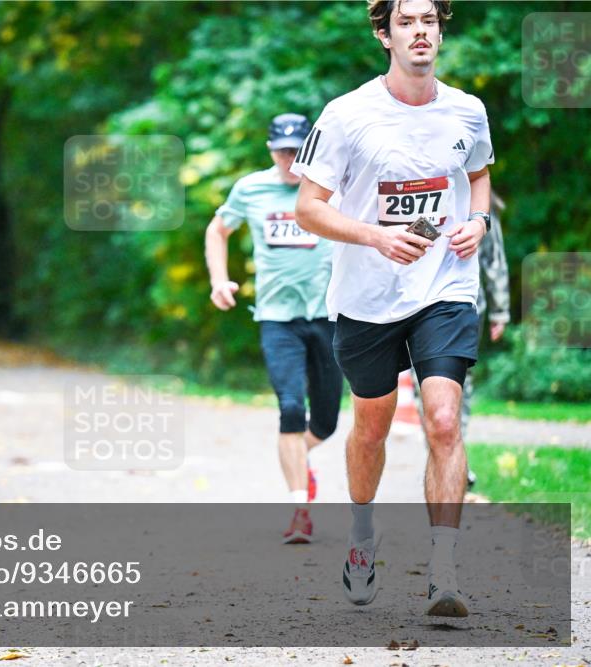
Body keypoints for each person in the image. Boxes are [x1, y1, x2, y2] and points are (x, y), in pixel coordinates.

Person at [291, 0, 493, 617]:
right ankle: (360, 538)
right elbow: (308, 207)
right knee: (372, 426)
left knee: (441, 418)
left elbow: (480, 174)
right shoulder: (347, 114)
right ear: (385, 35)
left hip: (444, 287)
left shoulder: (468, 109)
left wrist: (478, 220)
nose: (420, 32)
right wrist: (376, 235)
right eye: (406, 22)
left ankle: (444, 571)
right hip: (367, 297)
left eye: (429, 21)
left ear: (440, 29)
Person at [205, 113, 342, 545]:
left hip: (327, 316)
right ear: (271, 151)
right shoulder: (250, 189)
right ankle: (300, 508)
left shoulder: (330, 189)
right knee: (289, 408)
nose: (289, 158)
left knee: (326, 421)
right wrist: (218, 279)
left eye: (297, 149)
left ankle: (300, 462)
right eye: (282, 150)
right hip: (276, 319)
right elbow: (218, 229)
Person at [413, 193, 510, 488]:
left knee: (459, 383)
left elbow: (494, 257)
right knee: (425, 387)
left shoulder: (481, 205)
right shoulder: (421, 190)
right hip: (417, 304)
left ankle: (456, 454)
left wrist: (500, 310)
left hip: (466, 305)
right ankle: (439, 451)